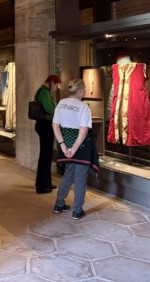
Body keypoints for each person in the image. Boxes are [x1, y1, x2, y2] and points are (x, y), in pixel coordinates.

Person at [52, 78, 98, 221]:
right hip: (81, 147)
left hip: (66, 144)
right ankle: (77, 211)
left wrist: (63, 145)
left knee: (67, 175)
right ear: (80, 91)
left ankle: (59, 204)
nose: (85, 92)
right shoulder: (84, 107)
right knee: (80, 178)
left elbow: (55, 125)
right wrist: (74, 149)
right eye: (84, 90)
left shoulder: (61, 103)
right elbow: (83, 132)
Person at [33, 74, 61, 194]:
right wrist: (59, 109)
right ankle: (42, 186)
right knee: (45, 156)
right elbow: (49, 109)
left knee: (46, 155)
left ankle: (45, 182)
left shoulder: (43, 90)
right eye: (56, 85)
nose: (56, 88)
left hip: (43, 125)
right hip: (45, 126)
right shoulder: (44, 92)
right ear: (52, 82)